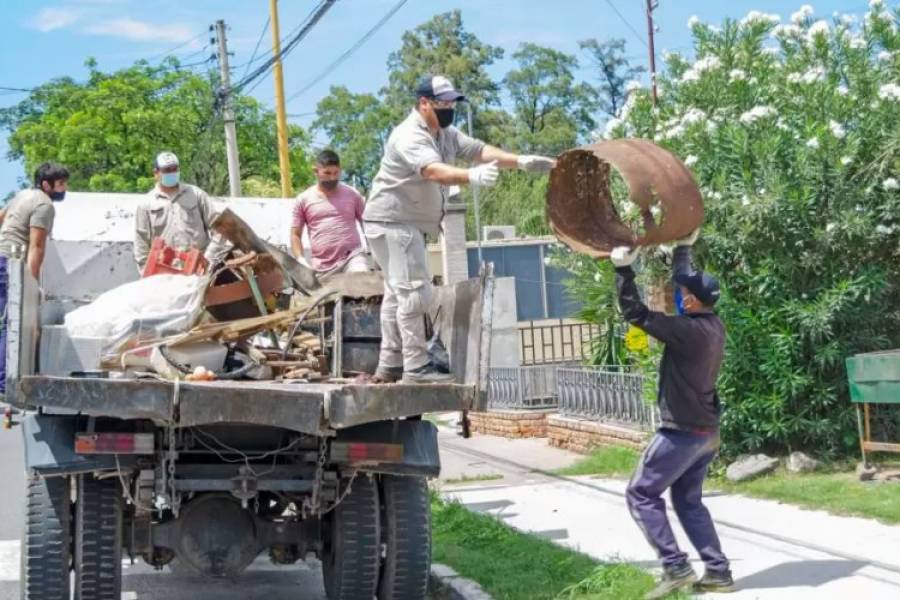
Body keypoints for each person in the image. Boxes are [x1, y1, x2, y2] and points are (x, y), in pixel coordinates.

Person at [363, 74, 555, 383]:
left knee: (397, 295)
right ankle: (416, 367)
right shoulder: (409, 135)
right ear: (424, 103)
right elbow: (433, 171)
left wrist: (519, 161)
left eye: (452, 102)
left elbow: (479, 150)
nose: (449, 108)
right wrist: (472, 178)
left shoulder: (445, 133)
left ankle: (390, 365)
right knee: (415, 293)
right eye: (443, 103)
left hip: (396, 222)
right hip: (393, 221)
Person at [609, 229, 734, 598]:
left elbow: (635, 312)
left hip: (680, 433)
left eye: (684, 294)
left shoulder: (687, 332)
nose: (679, 294)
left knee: (641, 494)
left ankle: (675, 566)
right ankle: (718, 572)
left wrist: (623, 271)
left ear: (692, 302)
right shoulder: (713, 325)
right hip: (706, 433)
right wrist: (683, 249)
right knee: (688, 500)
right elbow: (686, 282)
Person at [0, 161, 70, 393]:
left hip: (1, 259)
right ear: (46, 185)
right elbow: (36, 246)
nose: (64, 189)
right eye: (60, 184)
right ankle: (2, 385)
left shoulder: (21, 195)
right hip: (10, 266)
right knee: (9, 324)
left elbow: (2, 217)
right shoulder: (44, 204)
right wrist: (31, 284)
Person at [134, 151, 226, 271]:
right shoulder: (146, 204)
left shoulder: (196, 195)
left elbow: (219, 229)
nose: (172, 173)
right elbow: (141, 244)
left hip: (198, 270)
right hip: (164, 272)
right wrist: (146, 273)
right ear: (156, 173)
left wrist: (208, 260)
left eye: (175, 169)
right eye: (167, 170)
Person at [290, 149, 368, 276]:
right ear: (316, 171)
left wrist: (377, 253)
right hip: (322, 267)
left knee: (361, 282)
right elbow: (295, 235)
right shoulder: (303, 199)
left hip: (353, 258)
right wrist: (300, 259)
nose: (332, 177)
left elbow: (368, 224)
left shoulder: (353, 195)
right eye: (327, 173)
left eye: (336, 173)